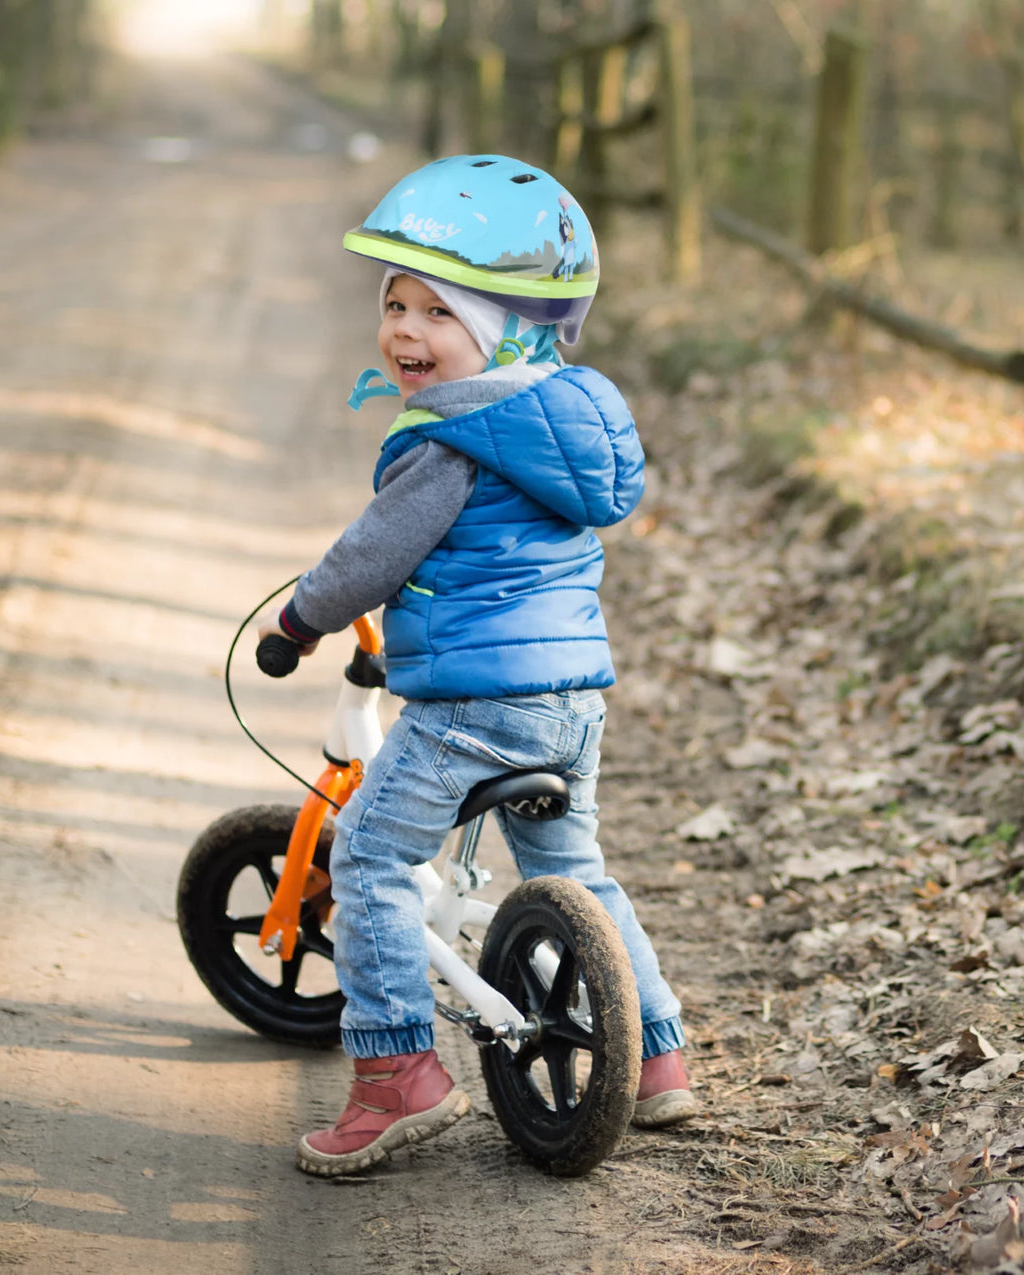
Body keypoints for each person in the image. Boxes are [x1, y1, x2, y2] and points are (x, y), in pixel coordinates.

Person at [259, 155, 696, 1178]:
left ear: (504, 331)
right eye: (395, 305)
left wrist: (300, 617)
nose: (406, 333)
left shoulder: (450, 440)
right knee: (571, 872)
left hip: (467, 707)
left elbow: (373, 553)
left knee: (365, 853)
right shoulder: (563, 423)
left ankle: (394, 1074)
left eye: (437, 314)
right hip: (572, 703)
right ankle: (659, 1057)